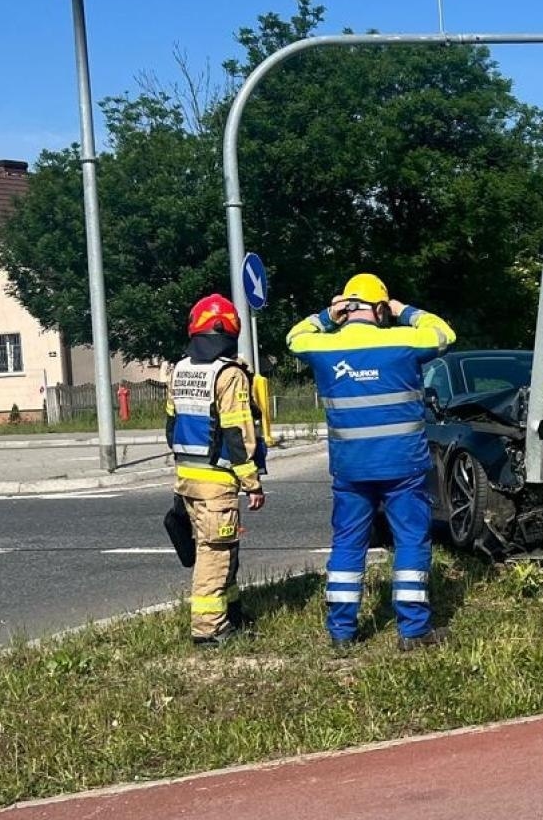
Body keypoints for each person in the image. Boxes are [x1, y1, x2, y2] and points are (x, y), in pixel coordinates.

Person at [286, 273, 455, 652]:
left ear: (345, 309)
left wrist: (327, 316)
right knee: (410, 541)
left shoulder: (322, 347)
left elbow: (293, 337)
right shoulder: (402, 339)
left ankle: (341, 632)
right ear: (379, 309)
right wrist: (402, 310)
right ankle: (413, 630)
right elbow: (444, 333)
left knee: (348, 543)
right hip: (404, 466)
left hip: (350, 468)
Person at [165, 293, 267, 647]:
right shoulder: (230, 374)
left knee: (225, 547)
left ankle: (233, 611)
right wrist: (251, 482)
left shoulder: (179, 369)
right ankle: (209, 630)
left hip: (187, 478)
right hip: (217, 481)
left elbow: (170, 425)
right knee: (216, 553)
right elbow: (237, 433)